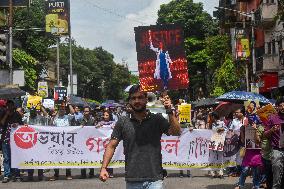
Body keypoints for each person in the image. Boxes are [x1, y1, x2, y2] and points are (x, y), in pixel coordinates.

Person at [99, 85, 181, 189]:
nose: (137, 101)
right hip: (132, 180)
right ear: (129, 101)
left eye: (140, 97)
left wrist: (169, 110)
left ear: (146, 100)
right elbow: (111, 145)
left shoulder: (157, 119)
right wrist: (103, 168)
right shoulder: (123, 122)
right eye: (133, 98)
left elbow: (177, 132)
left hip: (155, 180)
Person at [49, 103, 75, 181]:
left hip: (67, 141)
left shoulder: (67, 117)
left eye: (63, 109)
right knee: (56, 157)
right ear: (58, 110)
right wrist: (53, 117)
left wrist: (69, 103)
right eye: (60, 109)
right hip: (57, 141)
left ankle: (68, 174)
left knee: (67, 157)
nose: (62, 110)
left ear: (65, 110)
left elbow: (73, 112)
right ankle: (56, 174)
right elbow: (50, 126)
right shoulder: (55, 118)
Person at [0, 100, 23, 183]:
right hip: (5, 139)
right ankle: (6, 175)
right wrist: (6, 114)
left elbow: (22, 126)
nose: (9, 107)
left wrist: (17, 124)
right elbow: (1, 123)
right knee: (6, 158)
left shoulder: (17, 114)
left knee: (15, 157)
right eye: (8, 105)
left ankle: (17, 175)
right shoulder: (3, 113)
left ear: (13, 106)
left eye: (11, 105)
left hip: (15, 140)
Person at [264, 98, 284, 189]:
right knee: (277, 173)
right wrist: (271, 130)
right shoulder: (272, 118)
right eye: (281, 105)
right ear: (278, 107)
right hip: (277, 150)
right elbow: (265, 134)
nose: (283, 107)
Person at [80, 106, 96, 179]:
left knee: (91, 157)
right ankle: (83, 173)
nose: (86, 112)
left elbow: (96, 129)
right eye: (85, 111)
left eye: (87, 111)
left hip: (91, 142)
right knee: (83, 157)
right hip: (82, 141)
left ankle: (91, 173)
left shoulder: (93, 120)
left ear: (89, 112)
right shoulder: (80, 120)